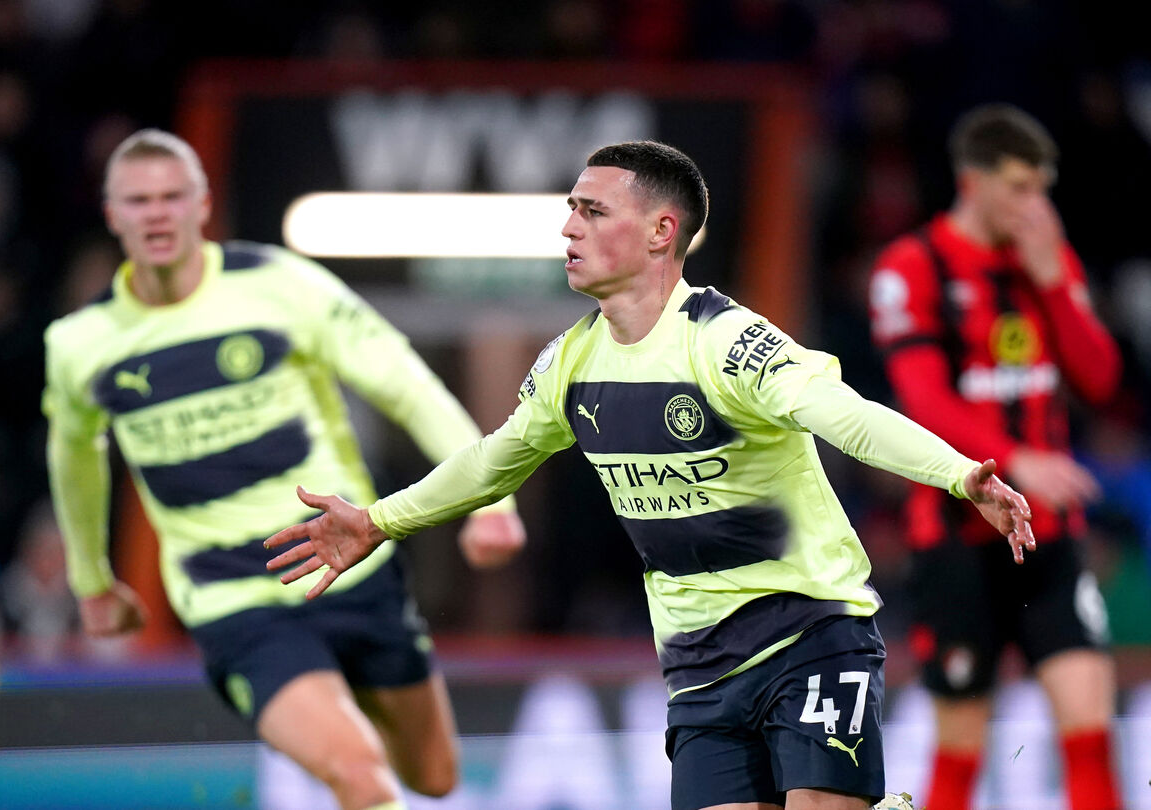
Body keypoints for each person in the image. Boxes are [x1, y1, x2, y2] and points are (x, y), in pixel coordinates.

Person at [265, 140, 1035, 810]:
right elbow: (490, 462)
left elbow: (845, 414)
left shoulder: (725, 341)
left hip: (810, 632)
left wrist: (960, 474)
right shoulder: (572, 362)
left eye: (594, 212)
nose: (569, 227)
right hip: (698, 669)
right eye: (571, 210)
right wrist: (378, 521)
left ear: (662, 230)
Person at [41, 129, 527, 810]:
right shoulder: (78, 346)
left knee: (434, 777)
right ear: (111, 213)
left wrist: (489, 501)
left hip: (353, 570)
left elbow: (404, 384)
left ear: (202, 204)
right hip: (232, 600)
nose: (156, 213)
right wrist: (91, 579)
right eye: (138, 200)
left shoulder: (279, 284)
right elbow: (76, 456)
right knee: (358, 773)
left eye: (172, 197)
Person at [868, 104, 1123, 810]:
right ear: (971, 181)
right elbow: (923, 403)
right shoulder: (910, 268)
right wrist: (1017, 458)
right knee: (960, 748)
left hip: (1049, 537)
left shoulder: (1043, 258)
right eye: (1018, 187)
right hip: (954, 541)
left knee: (1090, 730)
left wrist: (1056, 284)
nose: (1034, 205)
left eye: (1042, 187)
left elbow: (1100, 379)